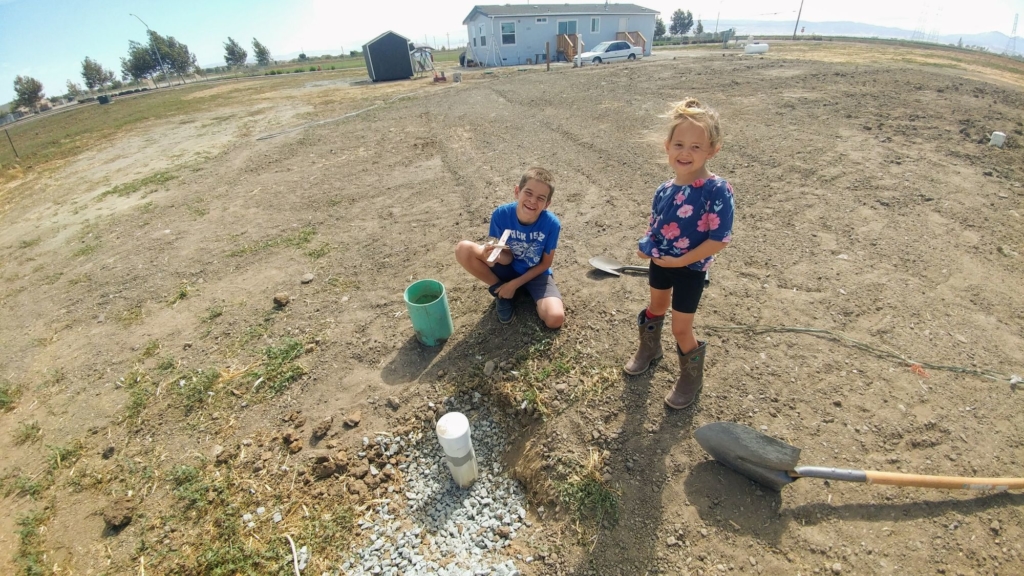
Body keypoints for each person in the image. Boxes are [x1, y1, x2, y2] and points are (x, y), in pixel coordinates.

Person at [625, 98, 735, 409]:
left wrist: (681, 261)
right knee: (655, 309)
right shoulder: (663, 189)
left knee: (681, 327)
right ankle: (649, 349)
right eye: (679, 144)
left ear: (713, 149)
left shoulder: (716, 190)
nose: (685, 153)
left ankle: (691, 377)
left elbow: (720, 239)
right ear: (667, 146)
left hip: (691, 270)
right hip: (661, 264)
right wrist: (646, 245)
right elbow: (655, 226)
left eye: (696, 147)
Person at [455, 167, 565, 329]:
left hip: (536, 273)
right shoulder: (501, 215)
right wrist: (494, 257)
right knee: (463, 249)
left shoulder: (551, 224)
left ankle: (517, 290)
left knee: (555, 319)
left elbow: (545, 264)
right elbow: (507, 258)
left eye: (540, 198)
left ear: (547, 204)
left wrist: (514, 284)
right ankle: (501, 292)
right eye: (528, 193)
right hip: (509, 268)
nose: (533, 201)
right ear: (517, 191)